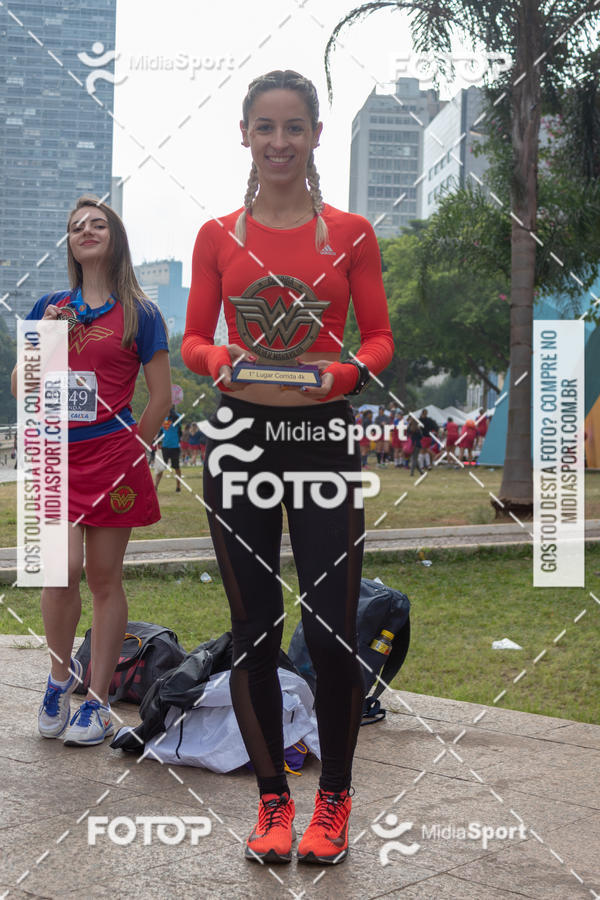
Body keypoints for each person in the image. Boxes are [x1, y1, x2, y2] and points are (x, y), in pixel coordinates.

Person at [181, 70, 394, 866]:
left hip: (323, 443)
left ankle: (332, 800)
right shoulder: (215, 236)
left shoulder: (352, 234)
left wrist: (342, 375)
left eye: (294, 128)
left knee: (332, 631)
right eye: (264, 127)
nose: (279, 142)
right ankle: (273, 802)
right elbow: (194, 339)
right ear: (245, 134)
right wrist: (219, 359)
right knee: (253, 632)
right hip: (239, 442)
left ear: (314, 136)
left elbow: (377, 340)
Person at [11, 195, 170, 746]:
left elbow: (162, 396)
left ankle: (98, 702)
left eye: (97, 223)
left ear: (114, 237)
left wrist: (136, 451)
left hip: (111, 456)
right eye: (76, 226)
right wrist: (46, 340)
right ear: (70, 245)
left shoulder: (142, 313)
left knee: (104, 579)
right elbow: (20, 390)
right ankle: (59, 681)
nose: (86, 231)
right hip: (53, 453)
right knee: (57, 571)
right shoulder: (48, 306)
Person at [155, 407, 182, 491]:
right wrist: (158, 440)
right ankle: (155, 487)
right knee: (161, 468)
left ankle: (178, 487)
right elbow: (163, 431)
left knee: (176, 467)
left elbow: (179, 429)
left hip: (175, 447)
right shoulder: (165, 420)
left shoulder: (177, 418)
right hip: (165, 447)